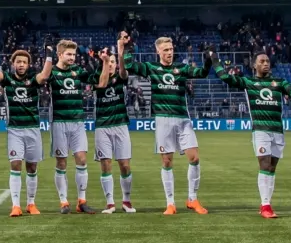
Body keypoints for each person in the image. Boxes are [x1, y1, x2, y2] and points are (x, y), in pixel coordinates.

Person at [118, 31, 213, 215]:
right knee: (167, 162)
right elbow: (129, 65)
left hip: (183, 119)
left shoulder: (182, 69)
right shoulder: (150, 67)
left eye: (171, 49)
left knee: (194, 158)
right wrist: (127, 46)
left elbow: (202, 73)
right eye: (166, 50)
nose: (170, 52)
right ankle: (170, 203)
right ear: (158, 51)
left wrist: (208, 59)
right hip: (163, 120)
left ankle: (192, 199)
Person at [215, 51, 291, 218]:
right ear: (254, 65)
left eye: (267, 61)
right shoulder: (248, 82)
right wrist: (215, 61)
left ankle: (267, 203)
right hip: (260, 130)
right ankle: (265, 206)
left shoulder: (279, 82)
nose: (266, 63)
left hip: (278, 131)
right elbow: (226, 78)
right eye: (262, 61)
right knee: (265, 165)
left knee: (272, 168)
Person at [0, 39, 53, 217]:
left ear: (28, 64)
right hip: (14, 130)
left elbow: (45, 76)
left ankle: (31, 203)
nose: (21, 65)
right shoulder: (7, 79)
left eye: (24, 62)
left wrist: (48, 54)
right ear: (13, 63)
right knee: (15, 165)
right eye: (18, 62)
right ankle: (16, 205)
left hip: (33, 129)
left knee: (32, 167)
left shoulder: (33, 79)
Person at [48, 39, 96, 214]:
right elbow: (42, 79)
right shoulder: (52, 72)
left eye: (74, 54)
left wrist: (91, 59)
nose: (72, 57)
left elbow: (93, 77)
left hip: (77, 122)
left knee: (82, 159)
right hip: (59, 122)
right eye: (68, 54)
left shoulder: (77, 71)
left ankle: (81, 201)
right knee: (61, 162)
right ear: (60, 54)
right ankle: (63, 202)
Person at [92, 48, 134, 214]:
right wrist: (102, 62)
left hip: (121, 125)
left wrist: (121, 54)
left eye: (112, 62)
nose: (110, 65)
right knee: (106, 164)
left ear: (116, 65)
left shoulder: (121, 78)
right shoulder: (97, 77)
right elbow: (101, 84)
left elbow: (124, 72)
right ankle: (110, 203)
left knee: (124, 165)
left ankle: (126, 200)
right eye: (107, 62)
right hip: (102, 126)